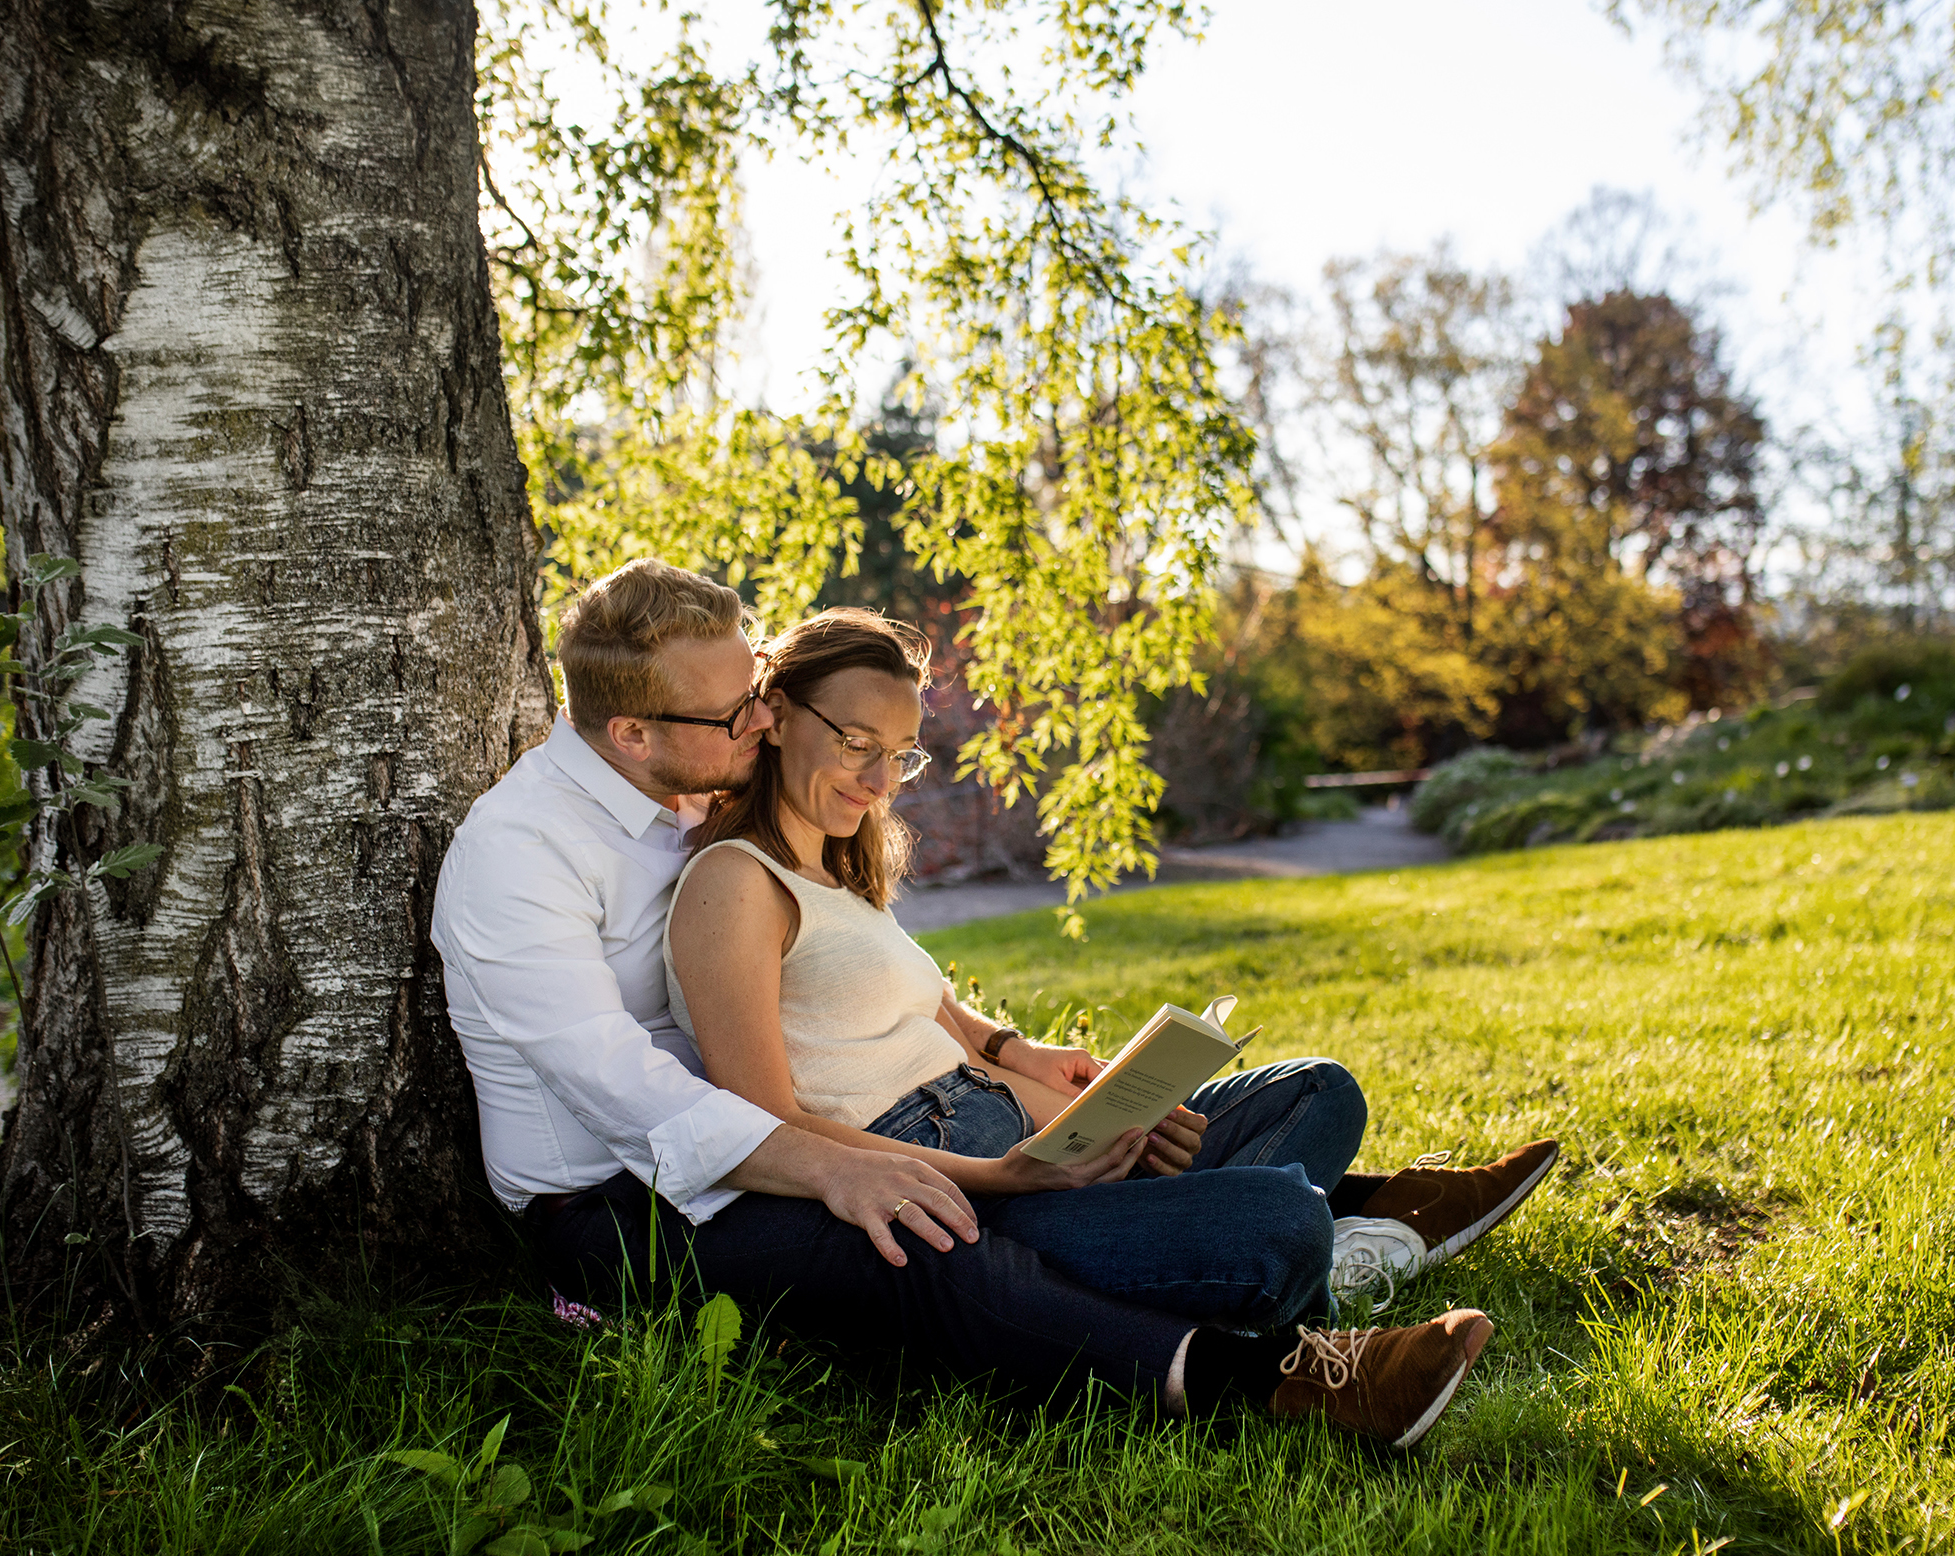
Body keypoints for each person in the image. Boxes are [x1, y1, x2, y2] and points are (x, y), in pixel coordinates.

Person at [431, 558, 1552, 1448]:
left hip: (812, 1138)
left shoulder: (691, 792)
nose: (762, 725)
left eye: (764, 698)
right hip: (617, 1205)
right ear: (633, 731)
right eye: (741, 713)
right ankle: (1276, 1375)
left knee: (1286, 1101)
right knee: (931, 1248)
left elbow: (879, 995)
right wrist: (872, 1165)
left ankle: (1339, 1217)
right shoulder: (518, 856)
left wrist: (1018, 1066)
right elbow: (633, 1094)